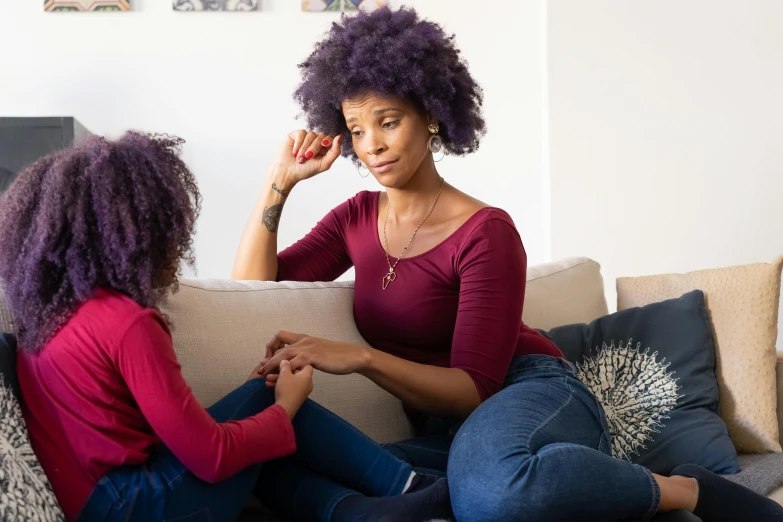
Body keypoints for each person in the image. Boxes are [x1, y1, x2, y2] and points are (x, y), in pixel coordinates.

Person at [232, 6, 783, 522]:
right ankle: (436, 493)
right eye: (356, 129)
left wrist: (360, 357)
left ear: (431, 116)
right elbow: (251, 288)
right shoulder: (355, 217)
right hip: (449, 430)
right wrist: (279, 181)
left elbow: (474, 388)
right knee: (267, 456)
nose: (371, 144)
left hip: (528, 391)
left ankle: (686, 488)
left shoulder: (485, 231)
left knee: (493, 491)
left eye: (388, 121)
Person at [0, 132, 452, 522]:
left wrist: (264, 420)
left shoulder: (50, 313)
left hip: (98, 503)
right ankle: (411, 487)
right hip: (133, 507)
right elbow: (212, 457)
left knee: (260, 432)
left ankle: (363, 511)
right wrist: (285, 407)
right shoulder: (128, 323)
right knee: (266, 407)